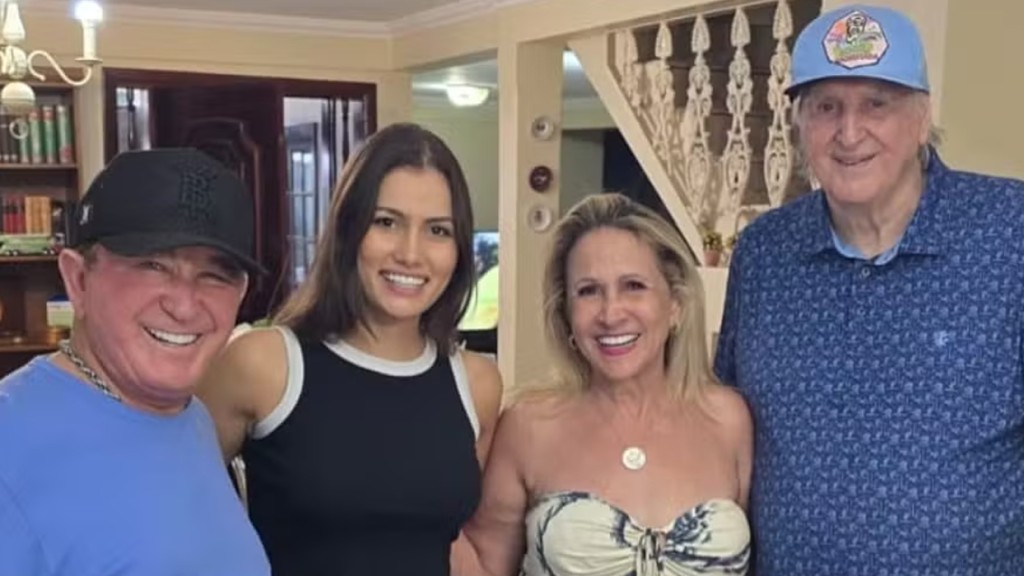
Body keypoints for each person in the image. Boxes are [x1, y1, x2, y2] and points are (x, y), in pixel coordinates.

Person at [714, 4, 1024, 575]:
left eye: (876, 104)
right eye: (826, 107)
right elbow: (722, 424)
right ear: (800, 124)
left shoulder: (1010, 233)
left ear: (922, 117)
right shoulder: (763, 254)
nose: (849, 132)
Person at [197, 122, 503, 576]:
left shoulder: (477, 384)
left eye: (438, 230)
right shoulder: (264, 364)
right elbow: (178, 514)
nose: (411, 253)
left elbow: (454, 542)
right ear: (348, 228)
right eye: (386, 222)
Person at [0, 148, 270, 575]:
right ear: (78, 279)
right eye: (152, 265)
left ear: (240, 294)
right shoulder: (11, 446)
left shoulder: (192, 416)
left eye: (215, 275)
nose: (184, 306)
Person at [455, 193, 752, 576]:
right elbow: (482, 566)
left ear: (676, 304)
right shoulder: (528, 426)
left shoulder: (728, 419)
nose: (611, 314)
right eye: (588, 291)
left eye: (634, 286)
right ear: (567, 314)